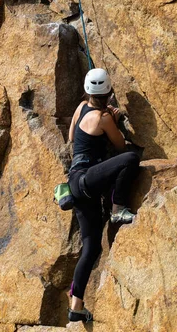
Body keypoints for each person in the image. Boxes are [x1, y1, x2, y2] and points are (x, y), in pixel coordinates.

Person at [66, 68, 140, 322]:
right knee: (131, 158)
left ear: (88, 92)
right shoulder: (104, 118)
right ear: (109, 92)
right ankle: (118, 209)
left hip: (76, 184)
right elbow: (120, 147)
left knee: (91, 246)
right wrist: (113, 120)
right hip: (87, 180)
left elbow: (71, 137)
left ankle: (76, 305)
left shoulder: (80, 108)